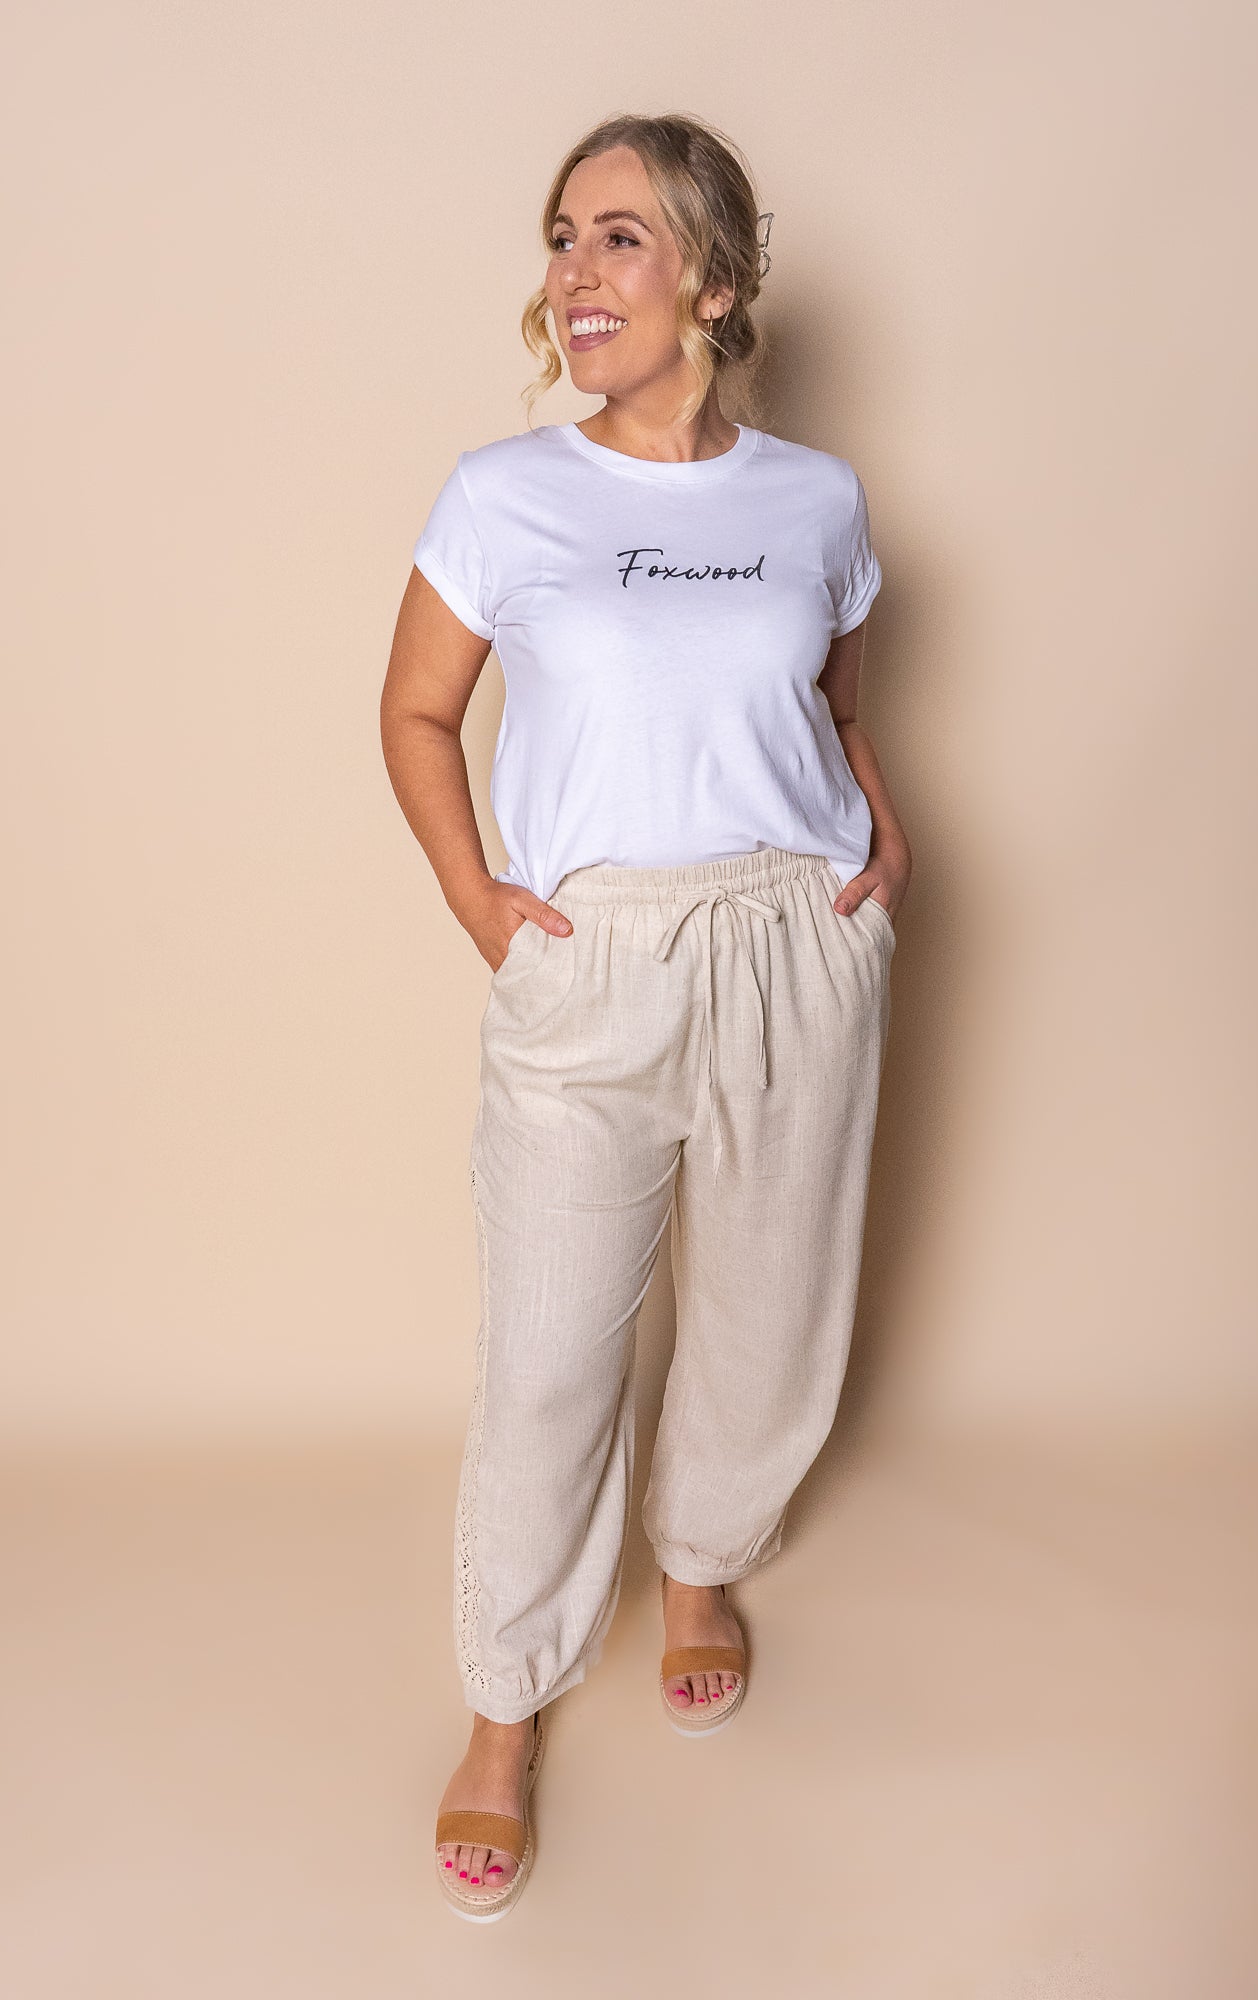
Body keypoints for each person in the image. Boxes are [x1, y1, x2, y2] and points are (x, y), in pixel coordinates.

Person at [380, 110, 912, 1921]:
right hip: (592, 955)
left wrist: (880, 833)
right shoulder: (503, 494)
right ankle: (505, 1701)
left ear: (713, 280)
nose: (573, 273)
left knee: (767, 1310)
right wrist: (482, 903)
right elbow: (414, 715)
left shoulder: (815, 500)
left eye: (617, 236)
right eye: (560, 237)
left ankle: (700, 1562)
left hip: (792, 938)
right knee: (549, 1355)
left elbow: (835, 708)